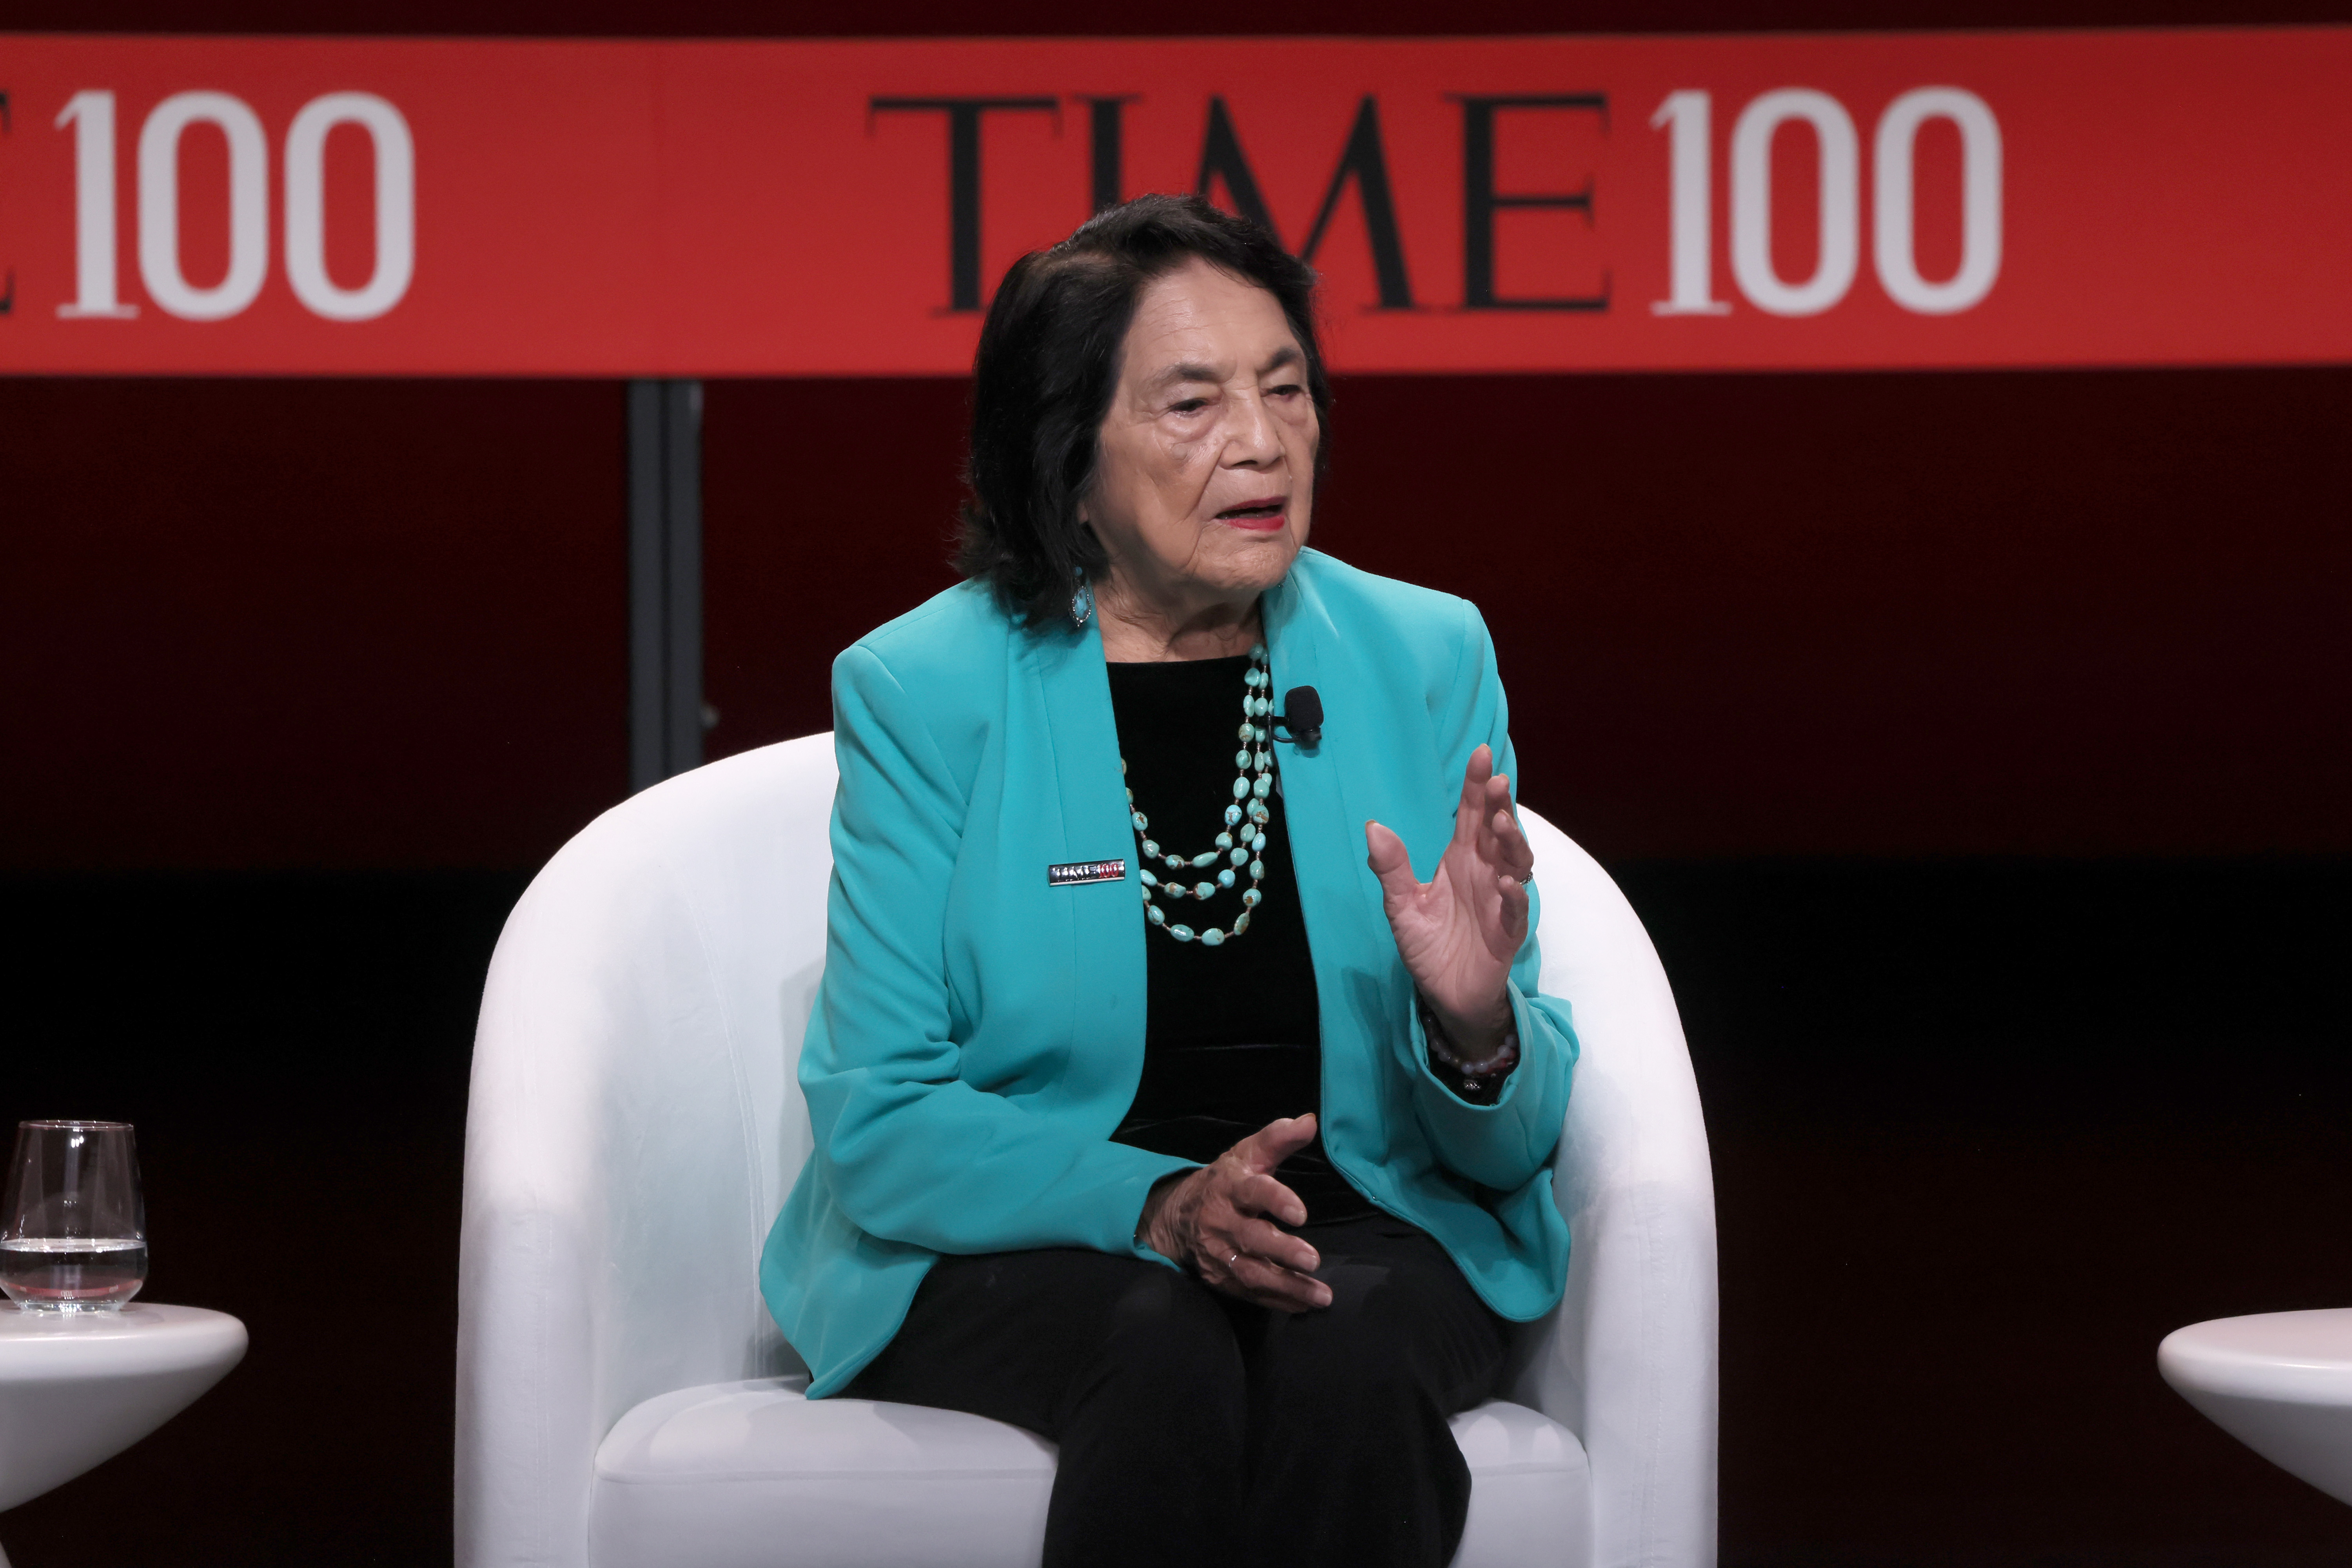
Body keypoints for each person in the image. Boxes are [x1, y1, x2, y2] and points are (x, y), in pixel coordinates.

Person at [759, 193, 1577, 1568]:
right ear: (1069, 460)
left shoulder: (1421, 654)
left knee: (1351, 1345)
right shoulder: (929, 690)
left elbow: (1514, 1137)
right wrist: (1152, 1207)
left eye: (1287, 389)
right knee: (1163, 1343)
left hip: (1366, 1221)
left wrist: (1477, 1027)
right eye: (1192, 404)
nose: (1263, 442)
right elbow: (879, 1111)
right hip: (1040, 1237)